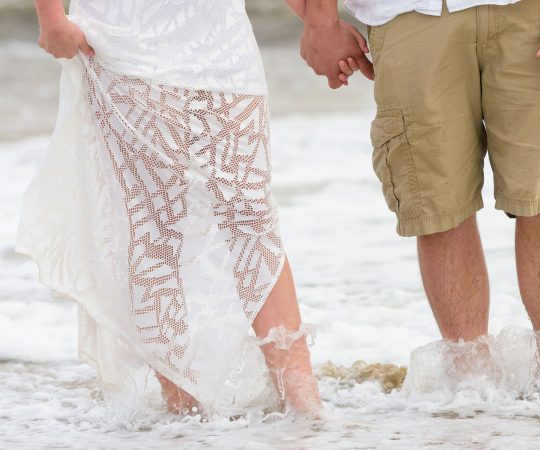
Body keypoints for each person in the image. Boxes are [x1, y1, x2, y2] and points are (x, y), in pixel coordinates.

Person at [18, 0, 362, 415]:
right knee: (155, 225)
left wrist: (319, 24)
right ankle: (185, 412)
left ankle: (305, 406)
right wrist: (50, 17)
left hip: (223, 48)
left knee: (253, 219)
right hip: (126, 44)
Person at [301, 0, 540, 394]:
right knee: (438, 208)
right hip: (408, 14)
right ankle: (470, 389)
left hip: (531, 10)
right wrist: (319, 23)